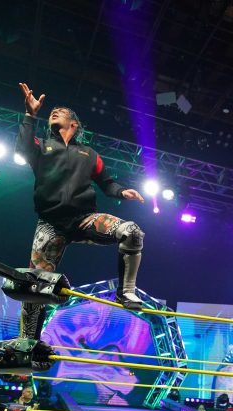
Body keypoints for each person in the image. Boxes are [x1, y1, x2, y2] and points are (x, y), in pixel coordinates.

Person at [15, 83, 146, 340]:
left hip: (84, 219)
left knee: (132, 232)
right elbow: (21, 149)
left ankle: (126, 292)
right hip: (51, 224)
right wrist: (30, 115)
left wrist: (122, 192)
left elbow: (107, 183)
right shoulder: (42, 146)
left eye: (61, 111)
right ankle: (28, 342)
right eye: (52, 111)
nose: (54, 112)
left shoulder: (89, 154)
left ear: (74, 124)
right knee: (35, 285)